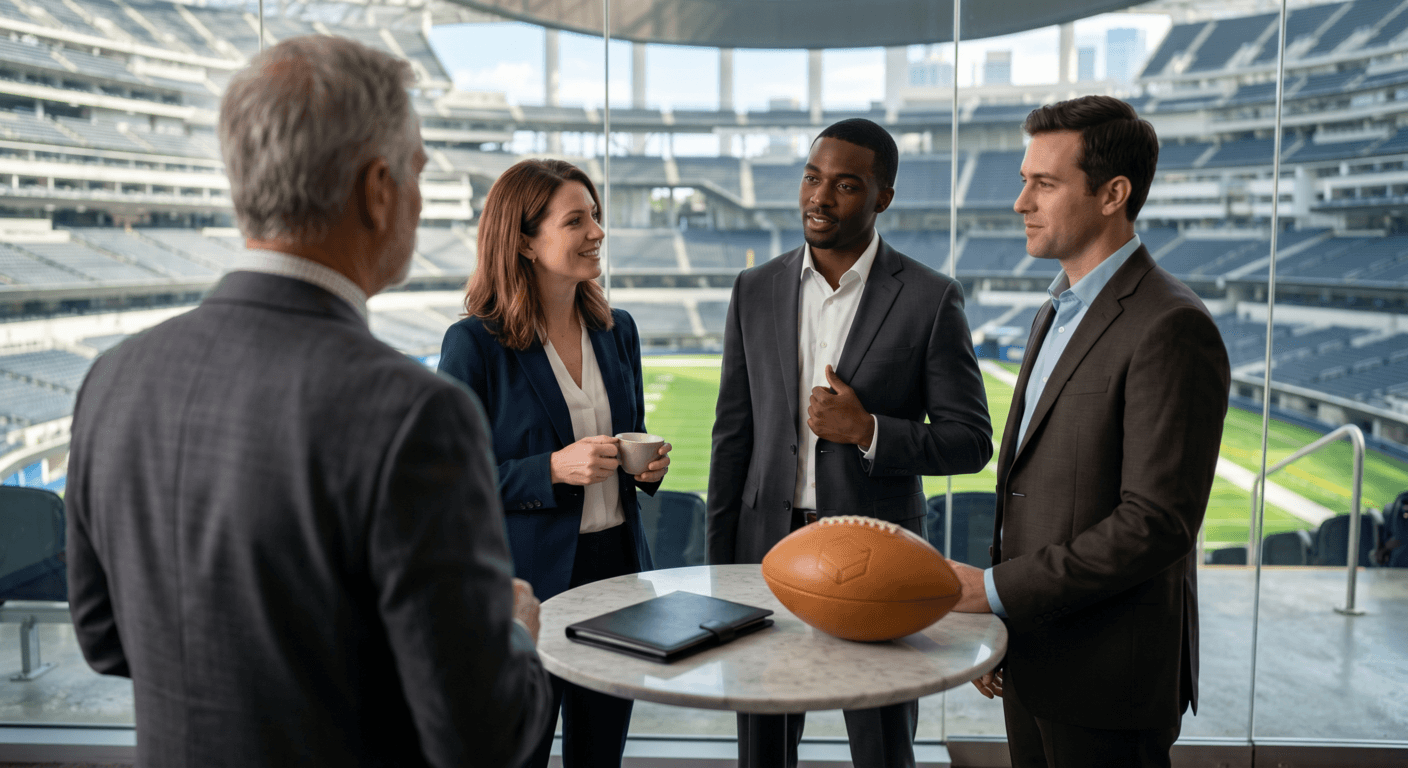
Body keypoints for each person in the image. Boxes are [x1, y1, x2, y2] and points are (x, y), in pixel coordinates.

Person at [65, 35, 551, 768]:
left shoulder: (113, 377)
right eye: (417, 171)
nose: (420, 199)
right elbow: (482, 738)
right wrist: (512, 631)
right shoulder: (414, 415)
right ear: (377, 190)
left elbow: (105, 639)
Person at [948, 96, 1231, 768]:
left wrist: (992, 591)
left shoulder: (1171, 325)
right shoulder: (1053, 312)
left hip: (1110, 682)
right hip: (1035, 658)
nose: (1021, 203)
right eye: (1024, 181)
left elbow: (1155, 524)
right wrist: (1006, 619)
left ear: (1113, 194)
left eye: (1043, 184)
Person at [707, 118, 993, 768]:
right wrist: (718, 570)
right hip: (764, 555)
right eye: (812, 178)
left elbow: (971, 441)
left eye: (844, 185)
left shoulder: (930, 298)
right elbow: (733, 439)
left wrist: (867, 432)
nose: (820, 197)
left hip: (877, 560)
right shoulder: (754, 289)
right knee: (764, 747)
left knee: (883, 745)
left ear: (881, 197)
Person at [438, 159, 672, 768]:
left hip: (617, 576)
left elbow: (627, 438)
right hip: (528, 587)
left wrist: (643, 469)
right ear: (523, 239)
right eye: (577, 220)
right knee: (521, 752)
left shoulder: (617, 330)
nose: (597, 231)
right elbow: (451, 487)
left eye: (595, 216)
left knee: (601, 756)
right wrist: (551, 469)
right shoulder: (474, 345)